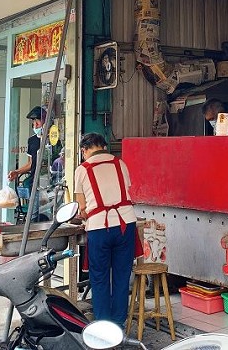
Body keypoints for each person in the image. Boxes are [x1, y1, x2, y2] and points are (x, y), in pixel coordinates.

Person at [73, 132, 137, 328]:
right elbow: (124, 191)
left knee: (99, 277)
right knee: (122, 274)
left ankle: (103, 326)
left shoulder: (82, 169)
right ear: (103, 146)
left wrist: (84, 215)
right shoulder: (120, 164)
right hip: (126, 224)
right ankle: (118, 324)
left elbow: (81, 207)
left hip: (100, 228)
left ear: (84, 150)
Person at [9, 107, 46, 217]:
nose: (35, 125)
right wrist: (17, 172)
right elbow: (30, 164)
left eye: (37, 121)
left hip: (48, 181)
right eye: (33, 122)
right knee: (34, 214)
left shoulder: (52, 139)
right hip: (35, 182)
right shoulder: (32, 140)